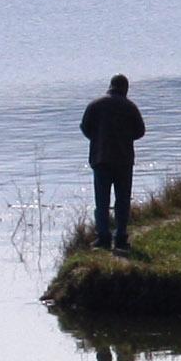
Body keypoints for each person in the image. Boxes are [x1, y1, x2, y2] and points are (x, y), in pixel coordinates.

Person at [80, 72, 147, 253]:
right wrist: (125, 138)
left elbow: (85, 128)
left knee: (101, 201)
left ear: (110, 86)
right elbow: (140, 131)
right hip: (124, 160)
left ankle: (103, 238)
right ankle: (120, 238)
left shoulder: (95, 105)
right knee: (122, 200)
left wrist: (97, 138)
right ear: (125, 88)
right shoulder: (130, 107)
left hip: (100, 159)